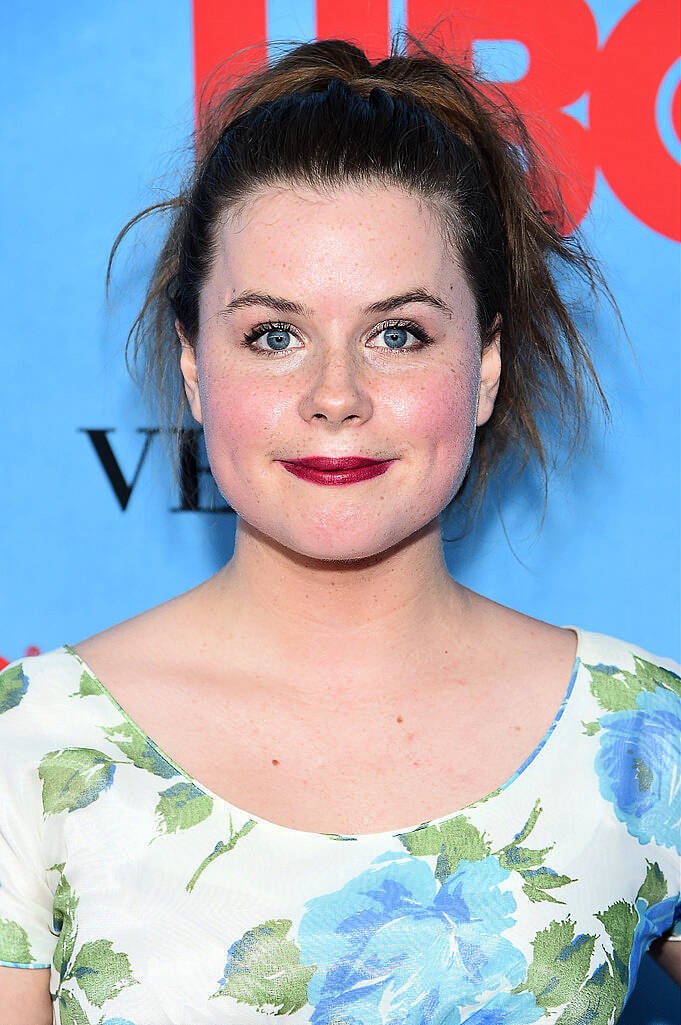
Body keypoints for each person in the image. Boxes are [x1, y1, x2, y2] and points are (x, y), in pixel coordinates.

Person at [0, 36, 679, 1025]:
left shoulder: (641, 735)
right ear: (195, 367)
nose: (334, 395)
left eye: (398, 333)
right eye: (274, 335)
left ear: (483, 364)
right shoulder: (33, 746)